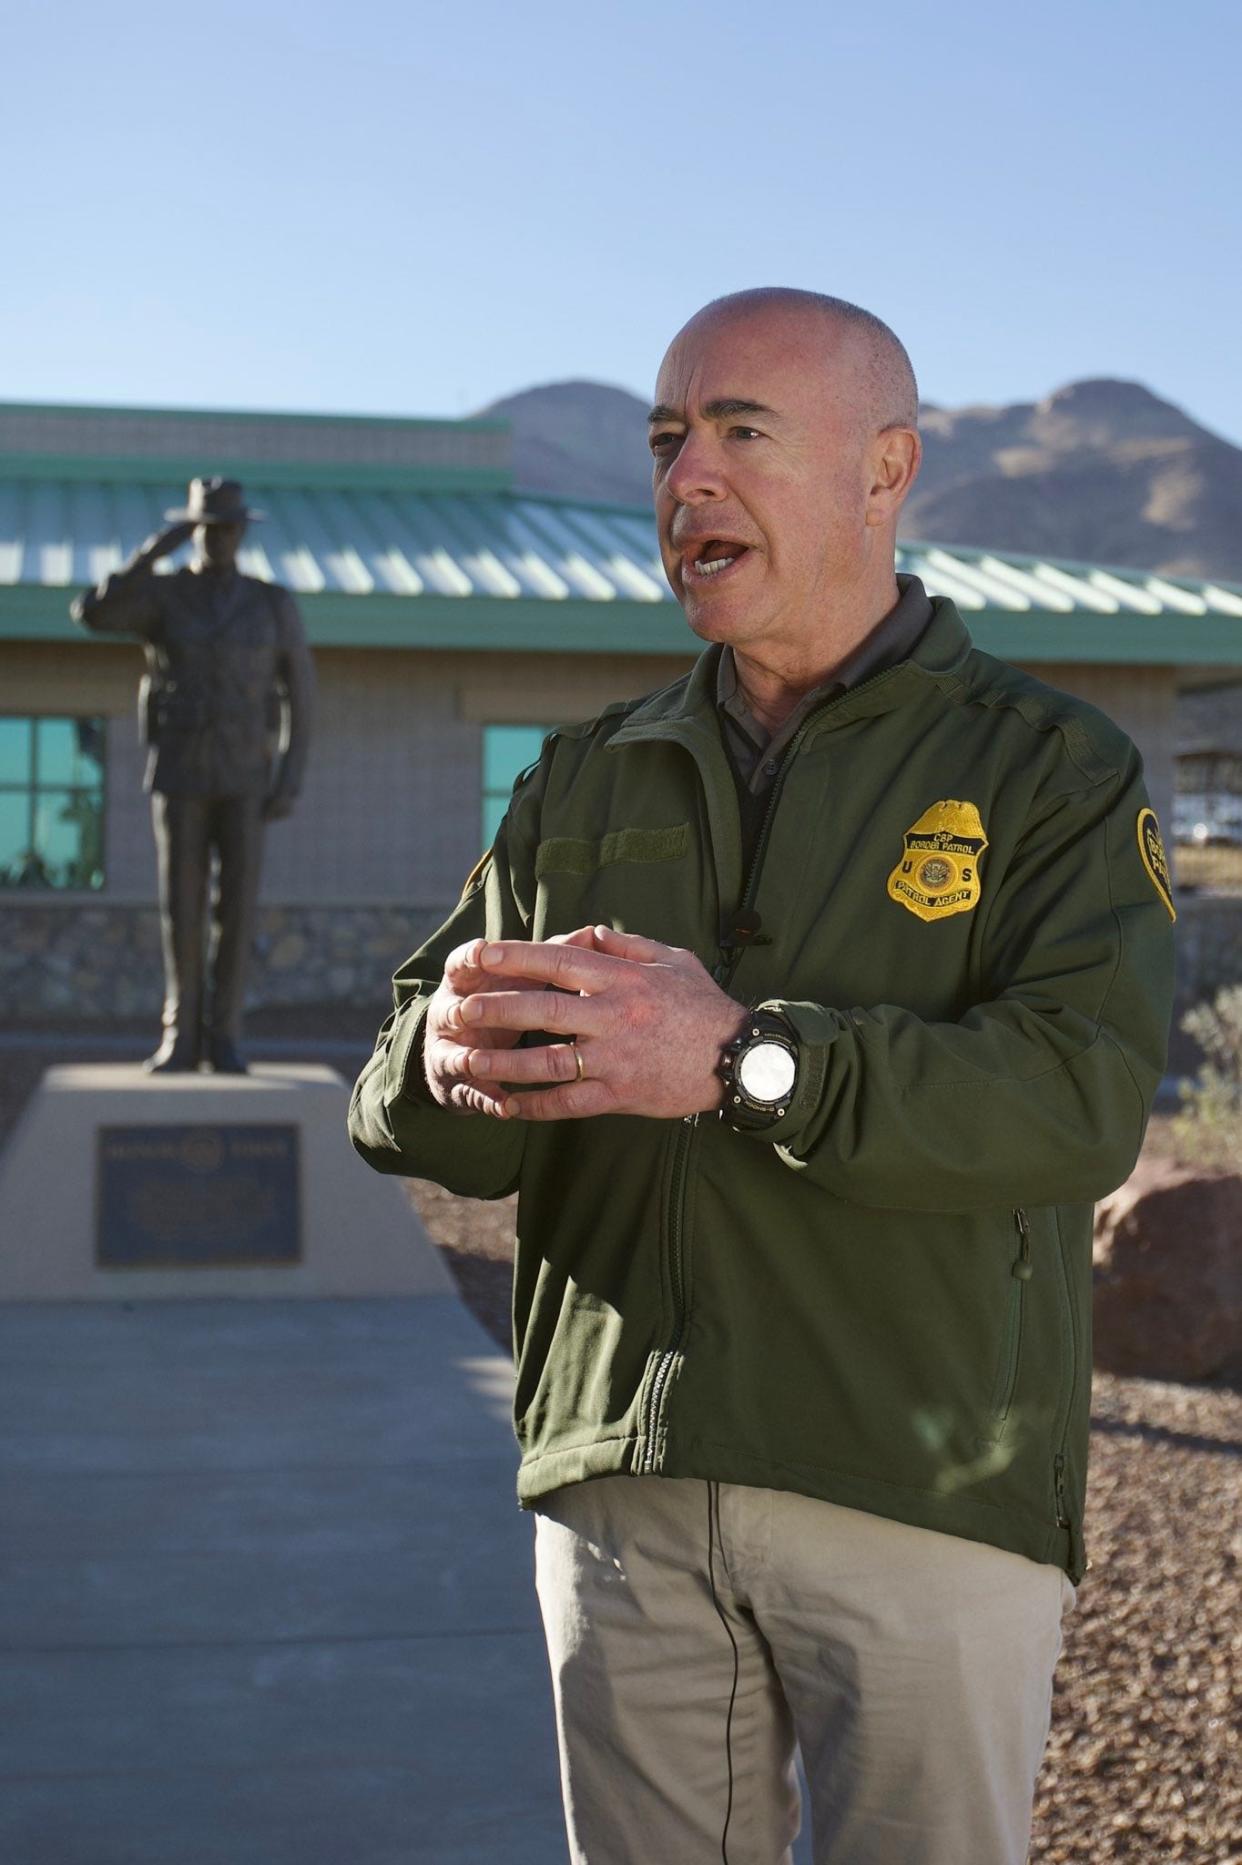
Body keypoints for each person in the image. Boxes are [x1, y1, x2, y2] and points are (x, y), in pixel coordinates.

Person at [349, 289, 1176, 1864]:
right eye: (666, 440)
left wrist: (740, 1059)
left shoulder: (1048, 770)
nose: (686, 478)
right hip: (625, 1495)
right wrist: (443, 1065)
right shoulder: (585, 773)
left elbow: (1077, 1098)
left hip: (922, 1490)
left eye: (741, 430)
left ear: (884, 471)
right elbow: (399, 1093)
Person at [73, 477, 315, 1074]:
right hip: (179, 771)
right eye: (209, 528)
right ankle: (180, 1037)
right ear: (194, 532)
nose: (222, 538)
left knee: (236, 911)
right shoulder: (163, 595)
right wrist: (154, 551)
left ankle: (225, 1037)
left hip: (244, 776)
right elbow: (93, 613)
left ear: (243, 533)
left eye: (231, 527)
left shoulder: (271, 603)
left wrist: (289, 776)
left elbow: (300, 695)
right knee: (179, 908)